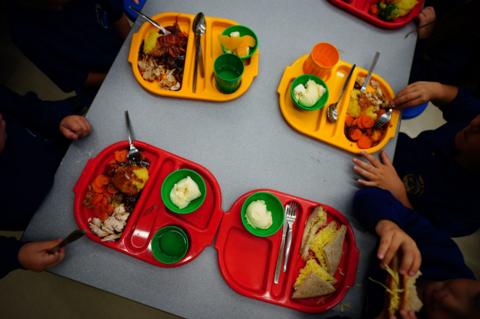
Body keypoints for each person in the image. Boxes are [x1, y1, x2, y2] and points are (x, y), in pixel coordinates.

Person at [352, 82, 480, 237]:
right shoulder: (473, 122)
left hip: (383, 206)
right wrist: (435, 90)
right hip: (389, 148)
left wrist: (400, 194)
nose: (473, 123)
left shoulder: (468, 213)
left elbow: (425, 235)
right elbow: (456, 97)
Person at [0, 85, 92, 278]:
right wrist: (16, 255)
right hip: (41, 214)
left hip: (64, 154)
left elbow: (27, 108)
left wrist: (58, 120)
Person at [354, 188, 480, 319]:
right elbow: (370, 195)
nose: (446, 301)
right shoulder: (443, 251)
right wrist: (389, 225)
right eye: (478, 301)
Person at [7, 0, 130, 100]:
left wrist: (133, 50)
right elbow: (75, 79)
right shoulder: (25, 32)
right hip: (100, 86)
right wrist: (119, 77)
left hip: (121, 50)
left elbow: (117, 15)